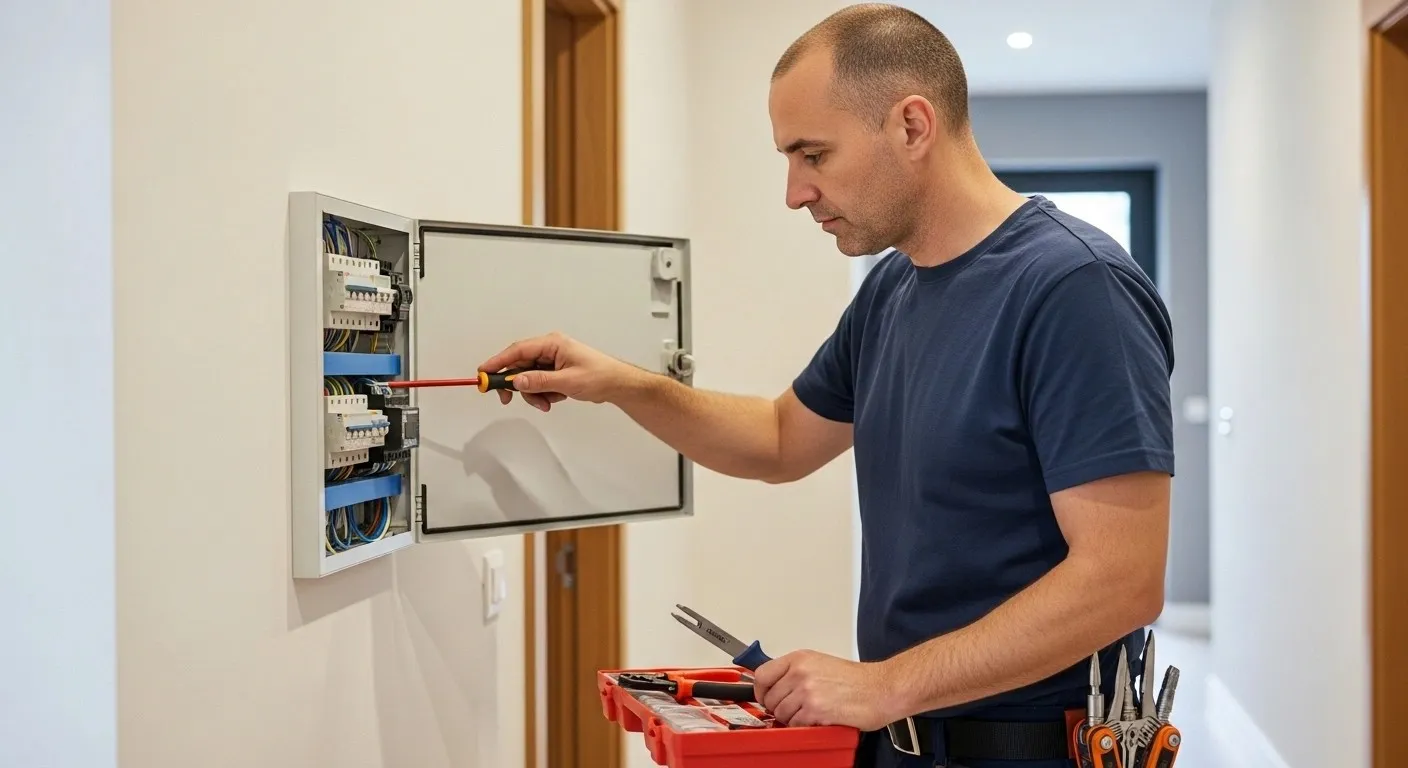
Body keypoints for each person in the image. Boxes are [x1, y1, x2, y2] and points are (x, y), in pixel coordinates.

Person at [478, 4, 1174, 767]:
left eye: (813, 154)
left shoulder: (1076, 288)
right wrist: (620, 384)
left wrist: (885, 685)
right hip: (905, 742)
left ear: (912, 126)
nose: (794, 192)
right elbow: (781, 439)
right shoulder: (891, 292)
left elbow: (1122, 581)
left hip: (1029, 749)